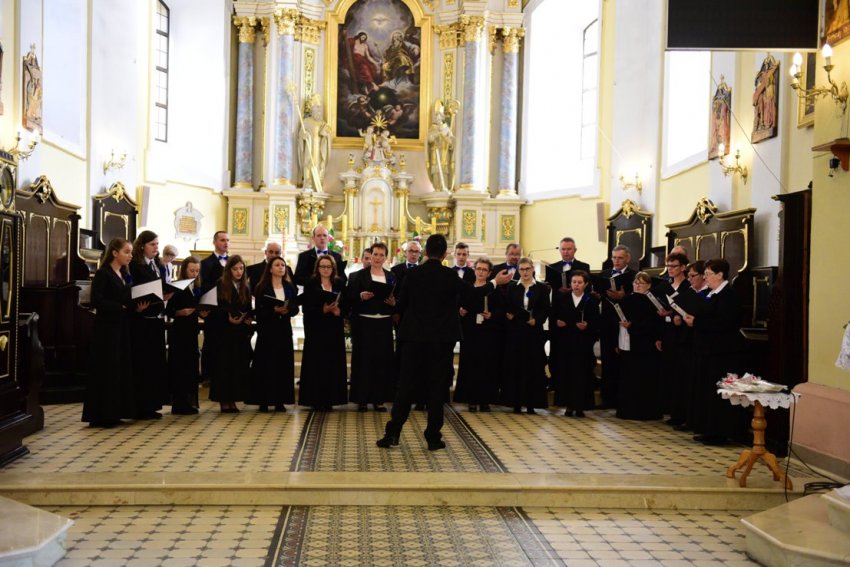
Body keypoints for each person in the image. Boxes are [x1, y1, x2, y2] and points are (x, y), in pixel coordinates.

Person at [377, 235, 511, 451]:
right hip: (441, 341)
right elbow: (473, 294)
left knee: (405, 386)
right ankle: (433, 437)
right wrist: (495, 282)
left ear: (425, 252)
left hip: (414, 338)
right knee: (437, 388)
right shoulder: (449, 275)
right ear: (445, 254)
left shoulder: (413, 274)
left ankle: (392, 433)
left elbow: (401, 305)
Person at [684, 258, 745, 445]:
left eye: (708, 274)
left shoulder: (729, 295)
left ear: (720, 275)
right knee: (708, 391)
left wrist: (696, 322)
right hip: (708, 350)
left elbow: (724, 323)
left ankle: (720, 432)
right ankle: (708, 429)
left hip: (723, 352)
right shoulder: (710, 294)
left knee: (720, 393)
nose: (705, 278)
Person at [82, 239, 137, 427]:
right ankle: (103, 414)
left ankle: (116, 412)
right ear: (114, 253)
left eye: (131, 252)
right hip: (106, 329)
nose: (130, 256)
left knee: (119, 368)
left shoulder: (124, 274)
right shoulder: (103, 273)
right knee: (107, 368)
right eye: (127, 252)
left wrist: (135, 306)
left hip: (121, 326)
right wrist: (119, 307)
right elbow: (96, 301)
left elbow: (126, 298)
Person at [128, 230, 172, 420]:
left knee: (155, 364)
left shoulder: (156, 265)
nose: (156, 247)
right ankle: (141, 406)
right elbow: (133, 290)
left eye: (157, 244)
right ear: (142, 246)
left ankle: (152, 404)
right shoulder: (135, 265)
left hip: (155, 319)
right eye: (152, 244)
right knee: (143, 364)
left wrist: (165, 295)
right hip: (141, 320)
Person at [348, 242, 396, 411]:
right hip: (364, 323)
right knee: (364, 361)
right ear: (371, 255)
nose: (377, 258)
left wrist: (394, 302)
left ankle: (379, 399)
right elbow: (349, 297)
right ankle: (362, 399)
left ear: (385, 258)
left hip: (383, 322)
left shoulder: (391, 276)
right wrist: (360, 295)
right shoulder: (358, 275)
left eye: (381, 255)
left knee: (382, 361)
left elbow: (397, 297)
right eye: (375, 254)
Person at [501, 257, 551, 414]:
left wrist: (537, 320)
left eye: (527, 269)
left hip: (533, 332)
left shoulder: (542, 288)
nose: (525, 272)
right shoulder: (512, 287)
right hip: (516, 331)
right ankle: (516, 403)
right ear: (518, 270)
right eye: (522, 269)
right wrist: (509, 314)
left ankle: (531, 404)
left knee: (533, 367)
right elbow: (507, 305)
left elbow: (545, 308)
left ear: (532, 269)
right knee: (516, 366)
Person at [299, 255, 349, 411]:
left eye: (329, 267)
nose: (326, 269)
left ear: (333, 268)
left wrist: (339, 312)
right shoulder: (311, 283)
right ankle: (315, 399)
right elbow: (306, 307)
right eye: (323, 266)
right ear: (317, 268)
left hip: (334, 328)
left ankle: (331, 399)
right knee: (316, 363)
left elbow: (347, 304)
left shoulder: (339, 283)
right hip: (316, 329)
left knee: (332, 363)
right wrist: (323, 309)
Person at [248, 256, 299, 412]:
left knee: (282, 365)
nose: (281, 267)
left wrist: (287, 310)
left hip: (284, 330)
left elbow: (295, 308)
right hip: (267, 331)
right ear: (270, 269)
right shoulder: (262, 287)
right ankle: (263, 400)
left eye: (283, 265)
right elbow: (258, 311)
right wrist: (273, 310)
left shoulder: (289, 287)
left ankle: (279, 400)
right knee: (265, 365)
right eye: (277, 265)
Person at [455, 257, 504, 412]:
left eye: (484, 270)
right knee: (470, 365)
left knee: (487, 366)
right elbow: (457, 305)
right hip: (470, 332)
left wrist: (492, 315)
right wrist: (460, 311)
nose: (481, 272)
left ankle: (485, 399)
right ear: (474, 270)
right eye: (479, 269)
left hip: (488, 332)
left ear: (489, 273)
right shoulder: (467, 288)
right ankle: (471, 399)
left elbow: (501, 310)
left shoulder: (495, 290)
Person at [551, 270, 599, 417]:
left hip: (583, 345)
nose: (576, 285)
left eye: (579, 282)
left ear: (585, 284)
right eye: (574, 282)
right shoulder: (562, 298)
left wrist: (588, 326)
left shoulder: (591, 300)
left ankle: (580, 406)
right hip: (566, 343)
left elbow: (597, 322)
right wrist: (557, 322)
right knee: (567, 374)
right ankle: (568, 405)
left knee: (582, 375)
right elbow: (553, 316)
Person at [617, 271, 664, 421]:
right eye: (635, 283)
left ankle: (646, 412)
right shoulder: (626, 299)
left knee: (645, 379)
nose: (637, 285)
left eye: (641, 283)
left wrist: (632, 326)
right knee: (629, 379)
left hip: (647, 345)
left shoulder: (654, 301)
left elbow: (654, 323)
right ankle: (627, 410)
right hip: (629, 344)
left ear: (649, 285)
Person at [545, 237, 592, 385]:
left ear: (575, 250)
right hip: (558, 312)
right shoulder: (552, 267)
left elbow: (588, 289)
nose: (565, 252)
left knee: (576, 352)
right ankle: (555, 381)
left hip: (576, 313)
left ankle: (577, 381)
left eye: (569, 249)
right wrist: (555, 289)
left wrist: (573, 289)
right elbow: (549, 288)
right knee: (556, 348)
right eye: (563, 249)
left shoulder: (583, 266)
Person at [211, 255, 253, 413]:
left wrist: (248, 318)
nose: (239, 272)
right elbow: (216, 307)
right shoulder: (220, 284)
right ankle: (224, 400)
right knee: (224, 367)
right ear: (229, 270)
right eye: (235, 269)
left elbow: (248, 307)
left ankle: (233, 400)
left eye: (241, 268)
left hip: (239, 332)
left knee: (237, 366)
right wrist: (227, 317)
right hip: (224, 333)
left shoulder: (245, 286)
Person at [596, 245, 635, 410]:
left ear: (628, 259)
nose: (616, 261)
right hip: (607, 324)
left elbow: (638, 300)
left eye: (620, 258)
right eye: (614, 257)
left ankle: (622, 399)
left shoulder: (634, 276)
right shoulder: (604, 274)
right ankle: (607, 399)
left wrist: (623, 297)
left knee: (623, 363)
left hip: (625, 324)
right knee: (607, 361)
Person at [165, 256, 204, 415]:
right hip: (179, 332)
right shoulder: (177, 286)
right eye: (191, 270)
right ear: (184, 270)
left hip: (191, 331)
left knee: (191, 367)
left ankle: (189, 402)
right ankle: (179, 403)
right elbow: (169, 311)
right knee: (180, 367)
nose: (194, 273)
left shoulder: (197, 286)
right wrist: (180, 312)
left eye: (197, 271)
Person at [657, 252, 690, 425]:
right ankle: (669, 409)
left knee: (681, 373)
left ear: (683, 267)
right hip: (667, 332)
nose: (670, 269)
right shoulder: (664, 286)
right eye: (668, 266)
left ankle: (681, 412)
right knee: (668, 371)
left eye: (673, 266)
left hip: (683, 335)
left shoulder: (688, 287)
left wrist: (677, 316)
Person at [200, 231, 230, 384]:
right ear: (214, 242)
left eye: (227, 240)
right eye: (222, 240)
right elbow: (202, 286)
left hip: (229, 309)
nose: (226, 243)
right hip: (213, 308)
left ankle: (223, 373)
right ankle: (207, 374)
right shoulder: (206, 263)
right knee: (210, 342)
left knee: (226, 344)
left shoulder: (233, 262)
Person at [298, 96, 331, 190]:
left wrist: (326, 136)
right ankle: (308, 183)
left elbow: (327, 135)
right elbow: (301, 135)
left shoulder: (323, 123)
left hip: (319, 150)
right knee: (308, 164)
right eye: (317, 107)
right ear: (312, 109)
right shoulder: (306, 122)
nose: (319, 110)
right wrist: (304, 135)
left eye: (320, 107)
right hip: (309, 149)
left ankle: (317, 185)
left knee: (319, 165)